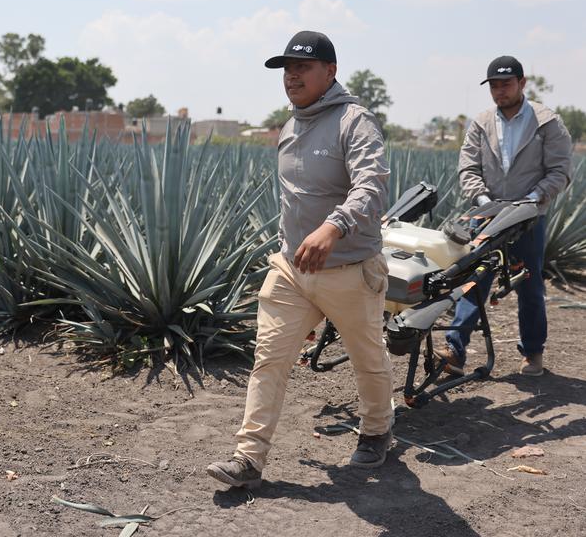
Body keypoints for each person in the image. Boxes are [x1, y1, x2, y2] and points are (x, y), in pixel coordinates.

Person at [207, 30, 394, 489]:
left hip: (349, 268)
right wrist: (287, 245)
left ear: (330, 71)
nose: (292, 75)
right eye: (287, 68)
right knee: (269, 359)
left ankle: (377, 430)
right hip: (292, 269)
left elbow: (372, 187)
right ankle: (248, 458)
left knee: (366, 358)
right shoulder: (290, 126)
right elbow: (292, 199)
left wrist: (333, 227)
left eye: (302, 67)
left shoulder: (355, 122)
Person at [436, 55, 572, 377]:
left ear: (522, 84)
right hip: (487, 216)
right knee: (475, 280)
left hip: (528, 217)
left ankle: (533, 353)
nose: (500, 91)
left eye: (506, 84)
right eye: (494, 86)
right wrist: (484, 200)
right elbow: (468, 167)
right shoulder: (481, 122)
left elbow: (560, 171)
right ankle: (455, 351)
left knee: (529, 283)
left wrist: (530, 200)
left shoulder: (546, 122)